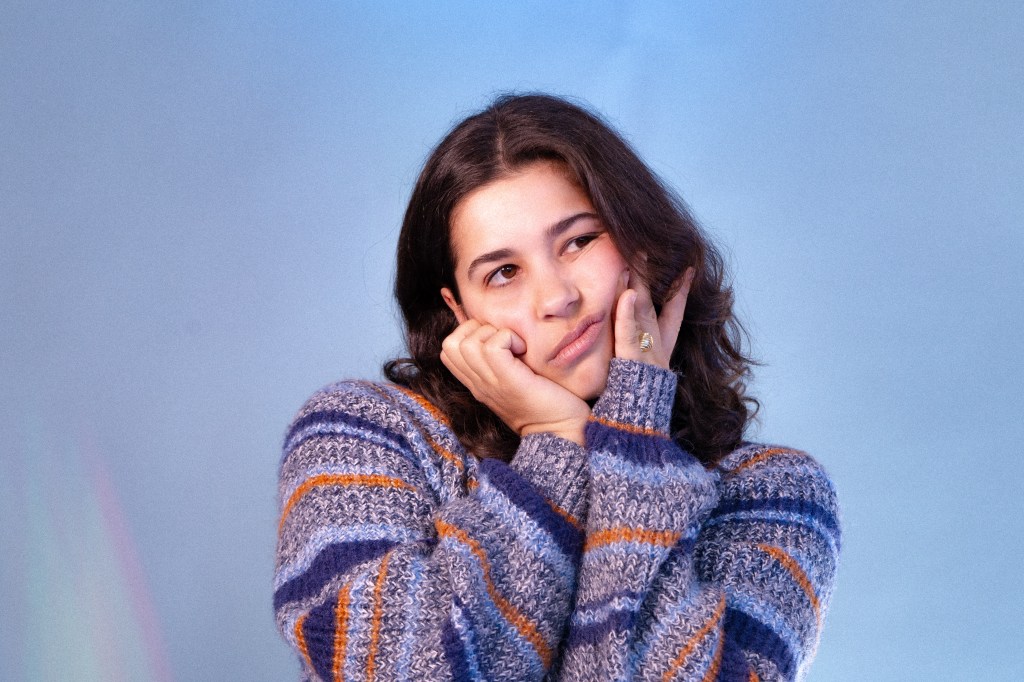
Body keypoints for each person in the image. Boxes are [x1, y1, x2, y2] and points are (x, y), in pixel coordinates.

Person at [274, 94, 840, 681]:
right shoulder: (363, 434)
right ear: (459, 309)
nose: (557, 298)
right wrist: (556, 443)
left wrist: (634, 427)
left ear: (640, 240)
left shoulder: (773, 495)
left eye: (579, 240)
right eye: (503, 273)